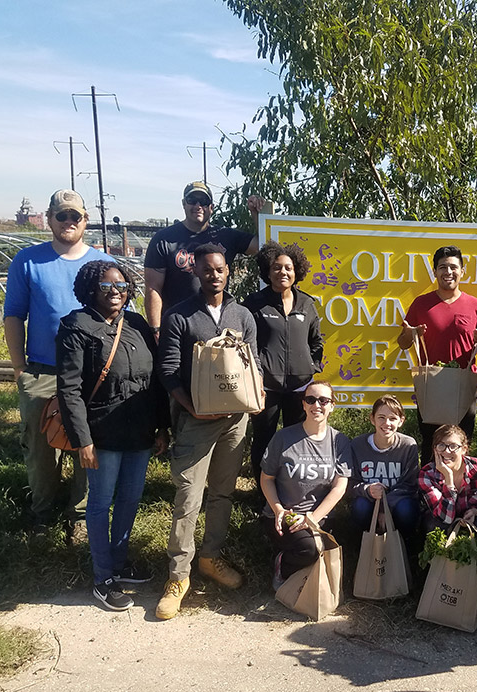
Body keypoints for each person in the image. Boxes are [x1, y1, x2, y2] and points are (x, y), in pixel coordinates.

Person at [155, 243, 262, 620]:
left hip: (235, 422)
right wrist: (192, 409)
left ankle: (211, 558)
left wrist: (257, 394)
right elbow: (168, 371)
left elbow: (253, 363)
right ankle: (177, 576)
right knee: (187, 498)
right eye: (206, 270)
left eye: (219, 269)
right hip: (195, 424)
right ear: (196, 272)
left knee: (222, 493)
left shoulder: (243, 315)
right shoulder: (179, 316)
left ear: (227, 271)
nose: (213, 275)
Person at [56, 261, 168, 611]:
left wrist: (162, 425)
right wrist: (82, 440)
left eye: (121, 285)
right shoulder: (77, 326)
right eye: (106, 287)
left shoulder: (134, 323)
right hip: (101, 434)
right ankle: (103, 577)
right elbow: (69, 390)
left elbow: (155, 383)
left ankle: (120, 562)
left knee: (130, 500)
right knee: (100, 503)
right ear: (92, 289)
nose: (115, 291)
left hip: (139, 431)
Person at [3, 189, 111, 539]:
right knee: (38, 444)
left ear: (86, 221)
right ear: (49, 218)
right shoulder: (28, 261)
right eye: (61, 216)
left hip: (89, 373)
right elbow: (14, 316)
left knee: (87, 443)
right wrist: (20, 368)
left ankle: (79, 514)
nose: (68, 222)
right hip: (42, 370)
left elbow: (116, 317)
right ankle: (42, 511)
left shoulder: (101, 264)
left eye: (74, 216)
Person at [397, 245, 477, 462]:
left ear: (462, 271)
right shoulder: (421, 303)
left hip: (463, 384)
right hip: (431, 385)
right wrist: (410, 333)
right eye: (442, 267)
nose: (448, 272)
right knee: (432, 442)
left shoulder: (476, 305)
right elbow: (403, 343)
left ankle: (460, 491)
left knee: (461, 442)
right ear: (435, 271)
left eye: (453, 267)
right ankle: (428, 491)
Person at [243, 240, 324, 487]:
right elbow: (246, 344)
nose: (283, 273)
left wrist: (312, 367)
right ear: (268, 272)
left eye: (288, 268)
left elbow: (316, 341)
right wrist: (255, 376)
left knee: (296, 440)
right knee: (264, 440)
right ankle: (263, 495)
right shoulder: (255, 304)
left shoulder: (307, 303)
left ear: (296, 271)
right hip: (265, 387)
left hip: (299, 387)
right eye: (277, 268)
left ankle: (291, 490)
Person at [259, 380, 352, 590]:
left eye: (323, 400)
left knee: (324, 550)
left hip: (319, 517)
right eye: (310, 399)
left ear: (332, 406)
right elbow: (267, 479)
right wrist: (278, 509)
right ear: (303, 404)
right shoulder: (283, 437)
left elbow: (339, 487)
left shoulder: (340, 442)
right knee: (309, 550)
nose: (316, 405)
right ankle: (283, 565)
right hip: (284, 516)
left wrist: (312, 518)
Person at [143, 182, 264, 332]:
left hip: (216, 323)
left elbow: (262, 245)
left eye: (204, 202)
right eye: (192, 200)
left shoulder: (225, 235)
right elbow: (153, 288)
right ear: (184, 204)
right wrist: (156, 329)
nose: (198, 206)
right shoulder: (163, 239)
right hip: (178, 325)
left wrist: (256, 213)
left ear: (211, 207)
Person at [347, 395, 420, 539]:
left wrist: (385, 509)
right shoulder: (357, 445)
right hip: (368, 500)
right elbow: (349, 483)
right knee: (360, 507)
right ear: (372, 419)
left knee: (407, 509)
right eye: (381, 417)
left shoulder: (408, 445)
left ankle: (404, 543)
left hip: (397, 502)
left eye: (392, 418)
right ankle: (364, 542)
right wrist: (367, 490)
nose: (387, 423)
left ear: (401, 421)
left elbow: (411, 485)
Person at [419, 424, 477, 539]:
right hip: (441, 517)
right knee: (434, 527)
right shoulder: (426, 474)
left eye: (453, 446)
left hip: (472, 517)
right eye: (441, 445)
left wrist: (476, 511)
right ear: (435, 449)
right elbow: (445, 518)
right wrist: (449, 480)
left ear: (464, 449)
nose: (446, 451)